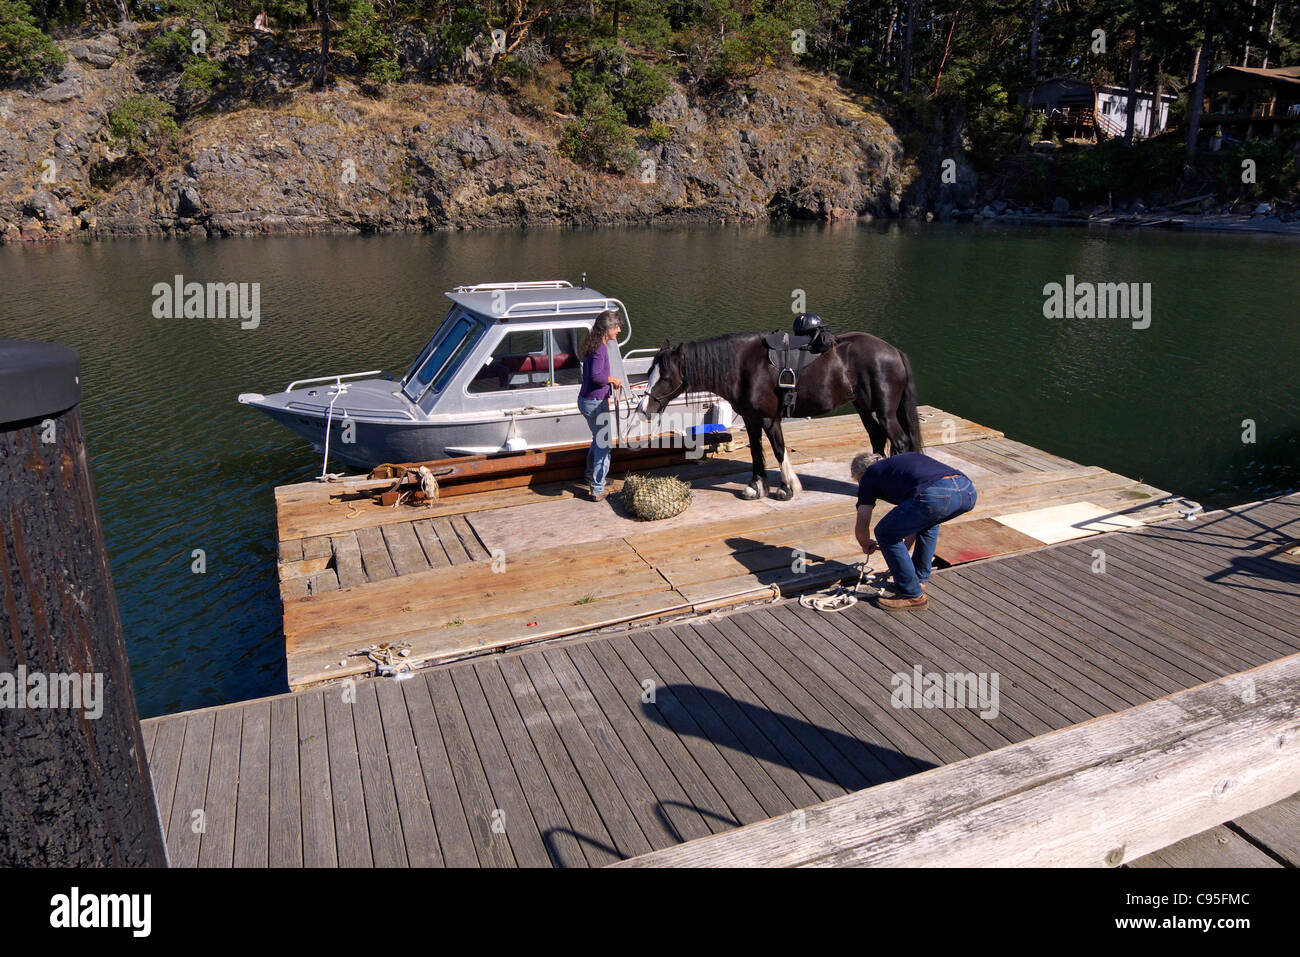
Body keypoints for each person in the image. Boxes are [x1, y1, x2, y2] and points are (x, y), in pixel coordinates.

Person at [849, 450, 977, 610]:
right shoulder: (901, 464)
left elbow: (863, 520)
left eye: (858, 481)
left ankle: (913, 595)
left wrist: (864, 542)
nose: (860, 485)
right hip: (967, 490)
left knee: (885, 532)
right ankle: (918, 581)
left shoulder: (870, 475)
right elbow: (915, 522)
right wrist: (903, 552)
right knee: (927, 524)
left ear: (861, 473)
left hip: (936, 494)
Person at [577, 309, 623, 502]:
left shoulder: (595, 345)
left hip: (587, 400)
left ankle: (591, 476)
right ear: (608, 328)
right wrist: (612, 379)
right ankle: (597, 489)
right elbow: (597, 376)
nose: (619, 330)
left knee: (598, 439)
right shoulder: (600, 349)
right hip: (595, 403)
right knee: (604, 445)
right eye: (617, 326)